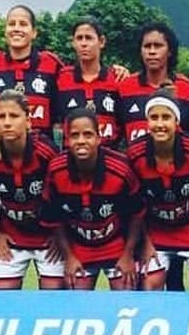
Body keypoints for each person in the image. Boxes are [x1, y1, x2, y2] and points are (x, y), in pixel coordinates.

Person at [41, 109, 143, 290]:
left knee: (126, 294)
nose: (81, 141)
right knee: (77, 298)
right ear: (67, 140)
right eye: (74, 135)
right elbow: (55, 219)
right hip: (80, 248)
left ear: (98, 138)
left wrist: (128, 254)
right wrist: (69, 257)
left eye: (88, 134)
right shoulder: (56, 170)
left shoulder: (120, 169)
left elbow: (137, 214)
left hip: (116, 245)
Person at [0, 91, 62, 290]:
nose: (7, 122)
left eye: (14, 116)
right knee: (3, 297)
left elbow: (64, 193)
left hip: (48, 237)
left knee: (54, 293)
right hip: (11, 235)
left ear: (28, 121)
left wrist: (60, 236)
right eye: (2, 117)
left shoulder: (47, 152)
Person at [127, 93, 189, 290]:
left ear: (177, 121)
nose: (160, 124)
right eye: (154, 117)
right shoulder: (135, 154)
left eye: (166, 117)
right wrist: (146, 243)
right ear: (147, 121)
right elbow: (136, 205)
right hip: (156, 232)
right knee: (150, 283)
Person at [0, 4, 64, 137]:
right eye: (12, 24)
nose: (17, 29)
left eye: (23, 24)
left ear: (34, 32)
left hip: (42, 151)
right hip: (1, 151)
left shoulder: (52, 65)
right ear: (5, 30)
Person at [117, 22, 189, 145]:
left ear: (170, 51)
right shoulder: (124, 87)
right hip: (135, 161)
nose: (152, 51)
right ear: (140, 51)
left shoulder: (187, 88)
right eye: (147, 46)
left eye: (158, 46)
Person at [54, 17, 128, 148]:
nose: (83, 44)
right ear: (73, 43)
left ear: (101, 41)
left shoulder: (117, 79)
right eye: (79, 38)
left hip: (109, 157)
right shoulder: (61, 78)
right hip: (71, 157)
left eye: (88, 38)